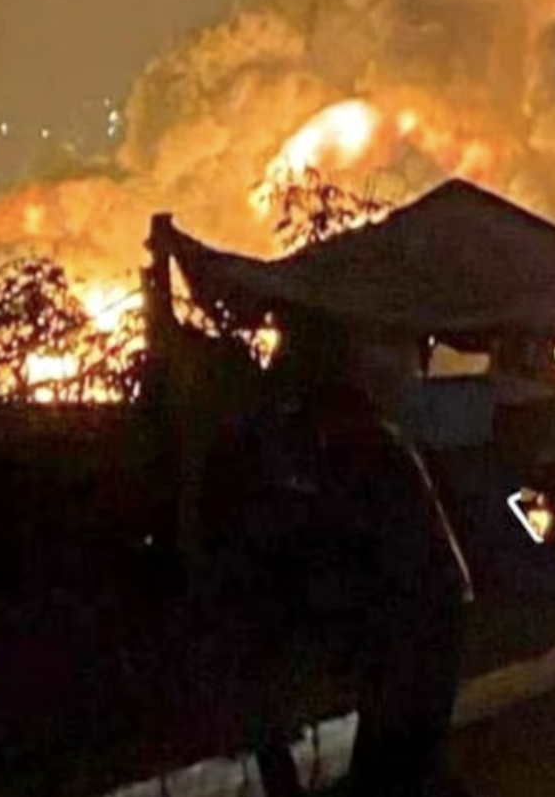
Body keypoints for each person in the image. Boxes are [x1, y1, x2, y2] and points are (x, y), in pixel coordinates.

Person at [201, 318, 475, 797]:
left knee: (401, 755)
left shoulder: (357, 445)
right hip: (415, 610)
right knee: (403, 755)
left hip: (416, 611)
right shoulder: (345, 441)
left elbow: (354, 540)